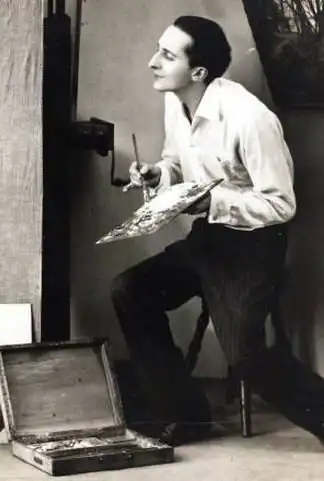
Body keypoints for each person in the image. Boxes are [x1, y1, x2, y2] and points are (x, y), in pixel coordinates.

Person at [114, 15, 324, 446]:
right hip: (209, 239)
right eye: (158, 49)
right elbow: (176, 162)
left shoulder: (250, 118)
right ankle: (184, 415)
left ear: (198, 73)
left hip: (255, 246)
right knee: (129, 290)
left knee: (246, 356)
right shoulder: (176, 100)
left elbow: (281, 205)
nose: (153, 62)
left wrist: (214, 202)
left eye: (167, 55)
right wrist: (158, 174)